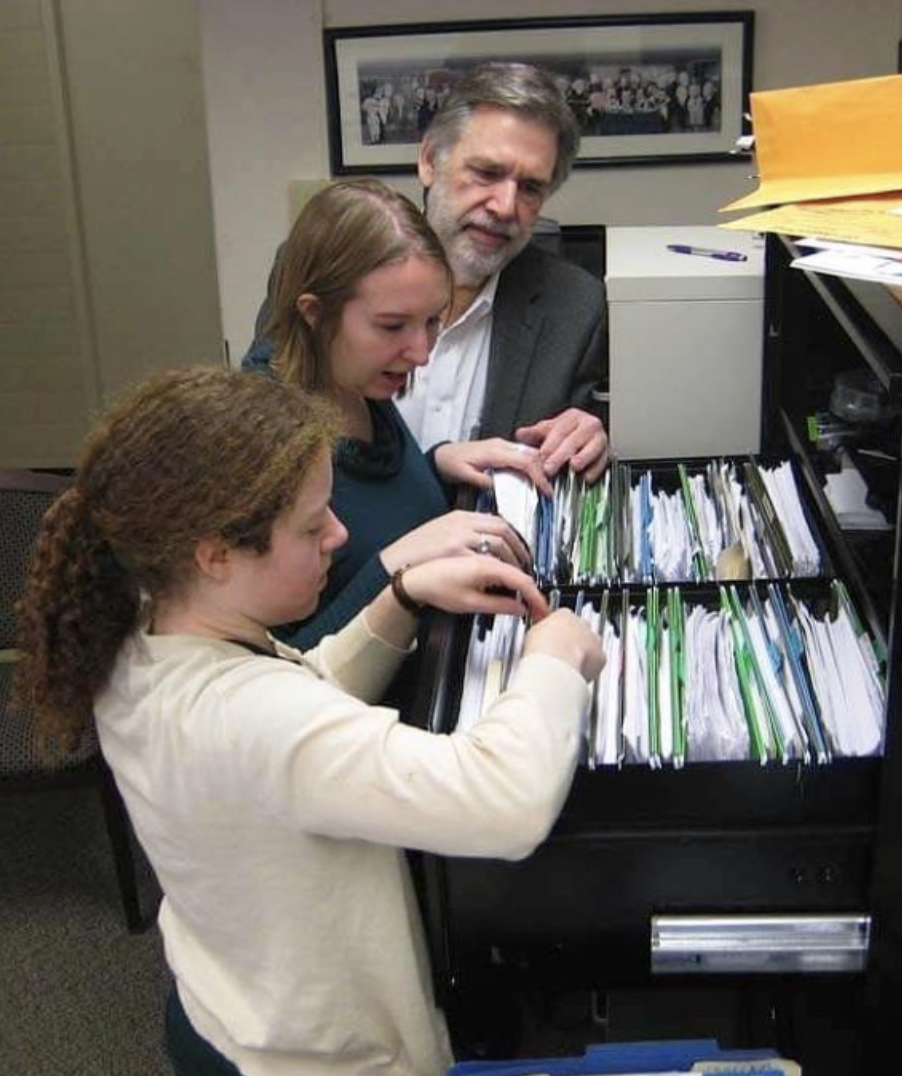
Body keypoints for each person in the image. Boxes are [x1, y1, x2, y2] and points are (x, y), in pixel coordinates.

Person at [15, 365, 605, 1076]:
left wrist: (401, 597)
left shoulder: (144, 631)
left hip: (231, 1000)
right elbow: (502, 799)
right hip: (324, 1058)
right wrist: (555, 659)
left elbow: (301, 688)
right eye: (310, 523)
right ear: (217, 555)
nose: (339, 534)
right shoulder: (252, 718)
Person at [244, 61, 609, 484]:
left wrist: (592, 438)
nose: (505, 206)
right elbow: (262, 438)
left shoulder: (574, 306)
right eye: (487, 173)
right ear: (429, 161)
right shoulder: (327, 265)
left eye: (531, 188)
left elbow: (586, 453)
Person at [245, 179, 553, 652]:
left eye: (433, 321)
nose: (421, 352)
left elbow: (371, 509)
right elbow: (266, 670)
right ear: (314, 313)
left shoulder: (354, 380)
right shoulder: (263, 444)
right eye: (392, 326)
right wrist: (395, 569)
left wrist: (437, 464)